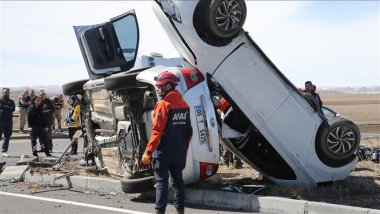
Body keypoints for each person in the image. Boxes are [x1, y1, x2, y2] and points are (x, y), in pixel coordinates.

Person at [141, 71, 192, 214]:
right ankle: (180, 211)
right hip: (178, 154)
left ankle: (159, 212)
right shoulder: (184, 105)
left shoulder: (163, 105)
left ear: (168, 86)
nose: (157, 89)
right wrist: (184, 151)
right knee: (178, 183)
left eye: (159, 86)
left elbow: (157, 131)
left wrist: (148, 152)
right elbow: (189, 132)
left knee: (162, 183)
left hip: (163, 153)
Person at [217, 97, 243, 169]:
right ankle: (236, 163)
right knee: (234, 144)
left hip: (228, 123)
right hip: (233, 123)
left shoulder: (224, 99)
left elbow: (219, 109)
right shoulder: (229, 99)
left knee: (229, 144)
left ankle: (228, 162)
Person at [0, 88, 15, 157]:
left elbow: (13, 109)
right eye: (5, 92)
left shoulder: (11, 101)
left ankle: (4, 151)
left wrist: (4, 108)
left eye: (8, 92)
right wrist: (8, 108)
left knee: (7, 137)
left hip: (9, 121)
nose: (7, 93)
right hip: (1, 121)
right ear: (2, 93)